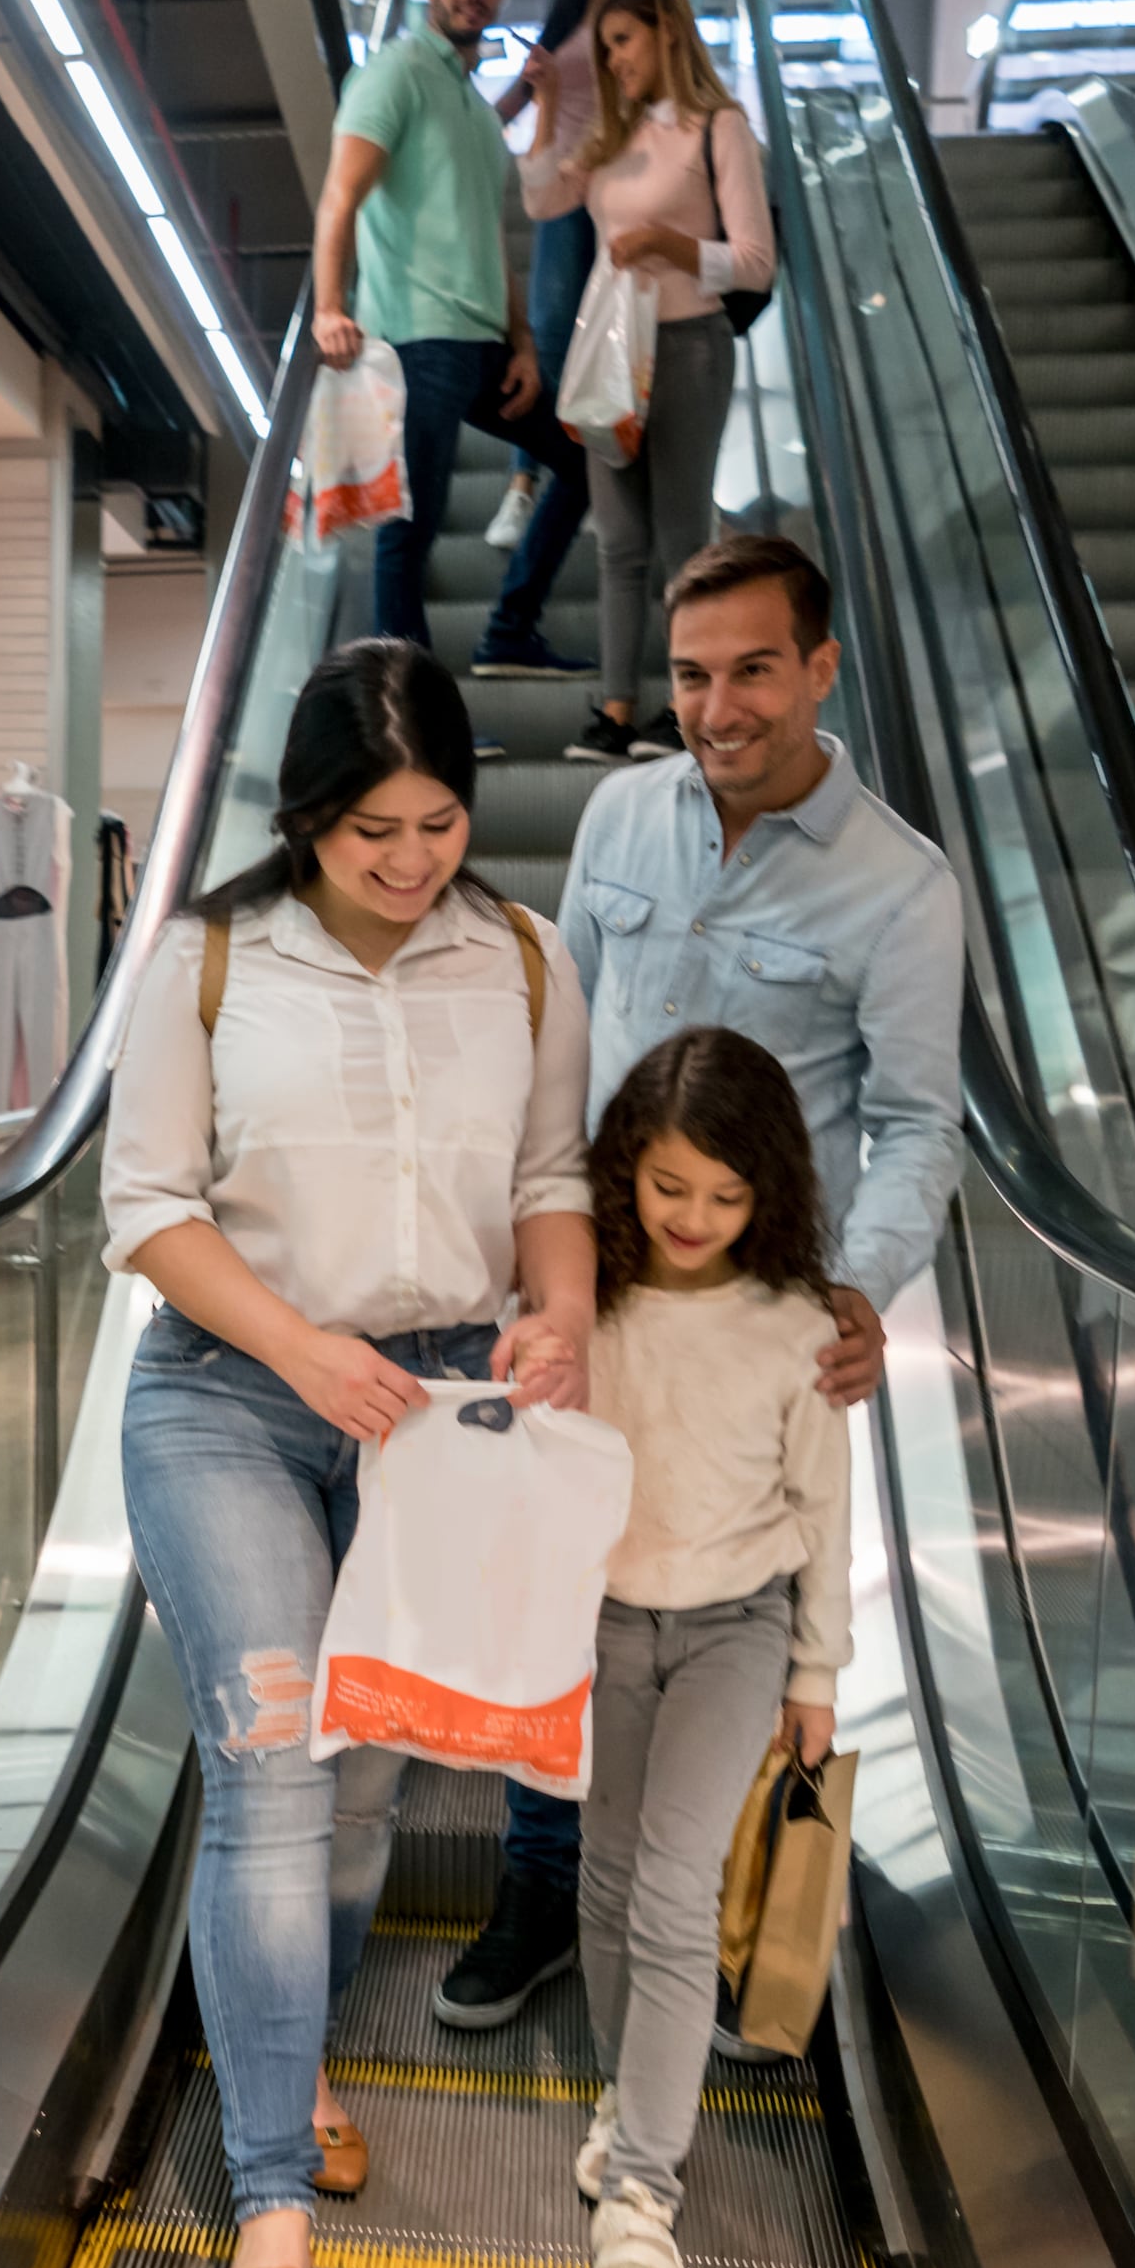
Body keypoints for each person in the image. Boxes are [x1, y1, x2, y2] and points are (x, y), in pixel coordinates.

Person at [103, 638, 596, 2268]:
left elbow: (551, 1173)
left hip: (431, 1411)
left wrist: (560, 1311)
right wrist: (304, 1350)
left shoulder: (522, 956)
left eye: (440, 822)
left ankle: (294, 2049)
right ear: (306, 816)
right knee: (273, 1764)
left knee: (368, 1783)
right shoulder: (210, 959)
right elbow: (147, 1205)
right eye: (372, 829)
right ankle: (270, 2206)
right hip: (231, 1395)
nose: (409, 860)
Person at [440, 530, 963, 2031]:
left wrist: (853, 1291)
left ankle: (699, 1909)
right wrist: (535, 1243)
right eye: (688, 675)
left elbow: (920, 1123)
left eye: (751, 671)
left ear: (820, 667)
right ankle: (543, 1884)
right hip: (595, 1292)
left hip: (751, 1314)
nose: (717, 708)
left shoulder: (901, 888)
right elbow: (564, 1037)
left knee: (726, 1591)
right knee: (562, 1582)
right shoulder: (621, 812)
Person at [565, 1027, 851, 2268]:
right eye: (667, 1185)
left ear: (766, 1191)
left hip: (738, 1628)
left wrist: (816, 1672)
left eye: (726, 1195)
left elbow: (825, 1510)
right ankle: (620, 2092)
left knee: (676, 1884)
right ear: (624, 1165)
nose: (691, 1217)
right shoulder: (590, 1303)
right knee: (609, 1866)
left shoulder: (796, 1329)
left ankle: (642, 2191)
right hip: (603, 1621)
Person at [561, 0, 774, 769]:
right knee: (618, 540)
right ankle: (615, 708)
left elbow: (755, 262)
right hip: (615, 353)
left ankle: (687, 707)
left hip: (688, 346)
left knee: (684, 539)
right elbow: (541, 197)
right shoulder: (615, 138)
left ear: (668, 33)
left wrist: (667, 245)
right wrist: (547, 109)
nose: (613, 60)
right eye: (606, 48)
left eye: (623, 41)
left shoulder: (720, 125)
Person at [313, 0, 534, 652]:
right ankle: (404, 700)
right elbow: (341, 194)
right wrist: (329, 308)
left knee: (583, 455)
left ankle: (511, 631)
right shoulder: (396, 72)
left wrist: (524, 340)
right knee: (412, 527)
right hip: (420, 337)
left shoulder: (474, 108)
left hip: (484, 343)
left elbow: (489, 235)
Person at [475, 0, 639, 674]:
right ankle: (522, 483)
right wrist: (472, 126)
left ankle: (543, 487)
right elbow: (523, 93)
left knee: (588, 381)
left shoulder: (642, 2)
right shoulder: (568, 4)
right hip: (560, 195)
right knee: (545, 348)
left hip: (621, 201)